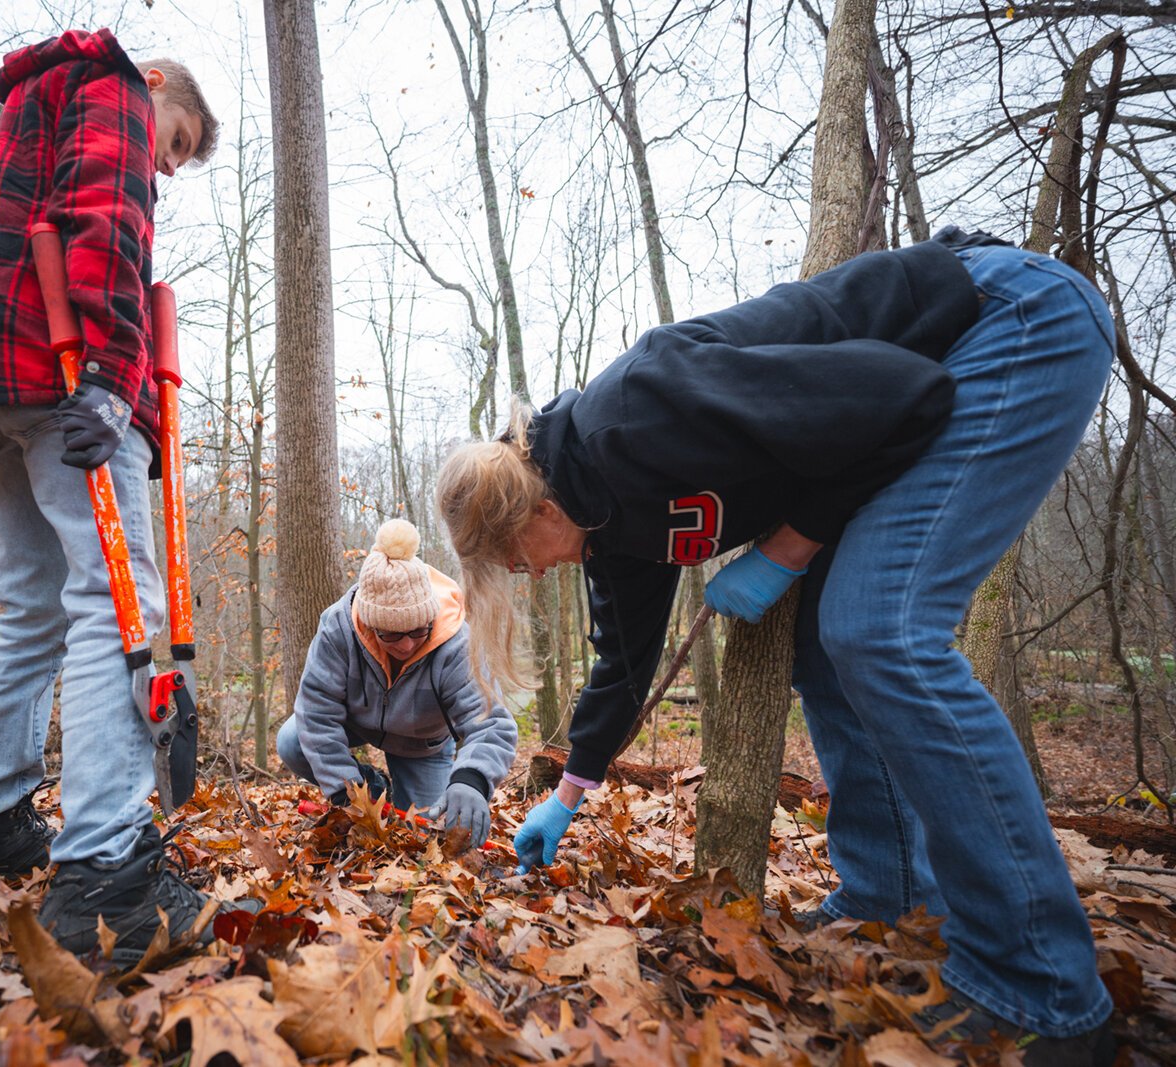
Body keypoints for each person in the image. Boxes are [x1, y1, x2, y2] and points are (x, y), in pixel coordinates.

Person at [435, 228, 1116, 1064]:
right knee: (828, 645)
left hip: (1010, 322)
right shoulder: (609, 530)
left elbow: (907, 394)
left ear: (534, 514)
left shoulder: (643, 412)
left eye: (515, 561)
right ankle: (888, 898)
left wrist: (787, 547)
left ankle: (1039, 986)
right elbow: (622, 665)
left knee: (879, 627)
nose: (529, 576)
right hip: (938, 377)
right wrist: (571, 792)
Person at [0, 28, 240, 962]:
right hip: (63, 371)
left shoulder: (22, 107)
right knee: (114, 604)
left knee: (31, 609)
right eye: (174, 143)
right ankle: (105, 869)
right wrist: (107, 369)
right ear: (156, 91)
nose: (164, 166)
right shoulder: (115, 90)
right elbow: (106, 217)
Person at [279, 519, 517, 848]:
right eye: (391, 634)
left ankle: (409, 791)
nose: (406, 645)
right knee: (292, 740)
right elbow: (316, 712)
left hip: (425, 742)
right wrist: (345, 791)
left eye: (418, 631)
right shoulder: (338, 628)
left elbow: (490, 721)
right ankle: (373, 787)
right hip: (358, 722)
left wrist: (470, 779)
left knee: (423, 837)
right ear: (368, 624)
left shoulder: (456, 642)